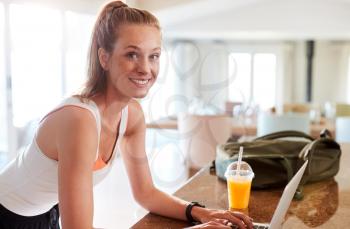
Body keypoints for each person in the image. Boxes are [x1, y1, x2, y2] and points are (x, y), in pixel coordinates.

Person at [0, 1, 253, 228]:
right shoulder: (79, 120)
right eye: (132, 54)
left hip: (45, 212)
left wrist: (200, 213)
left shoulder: (131, 114)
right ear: (104, 58)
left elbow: (145, 193)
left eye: (153, 56)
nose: (145, 68)